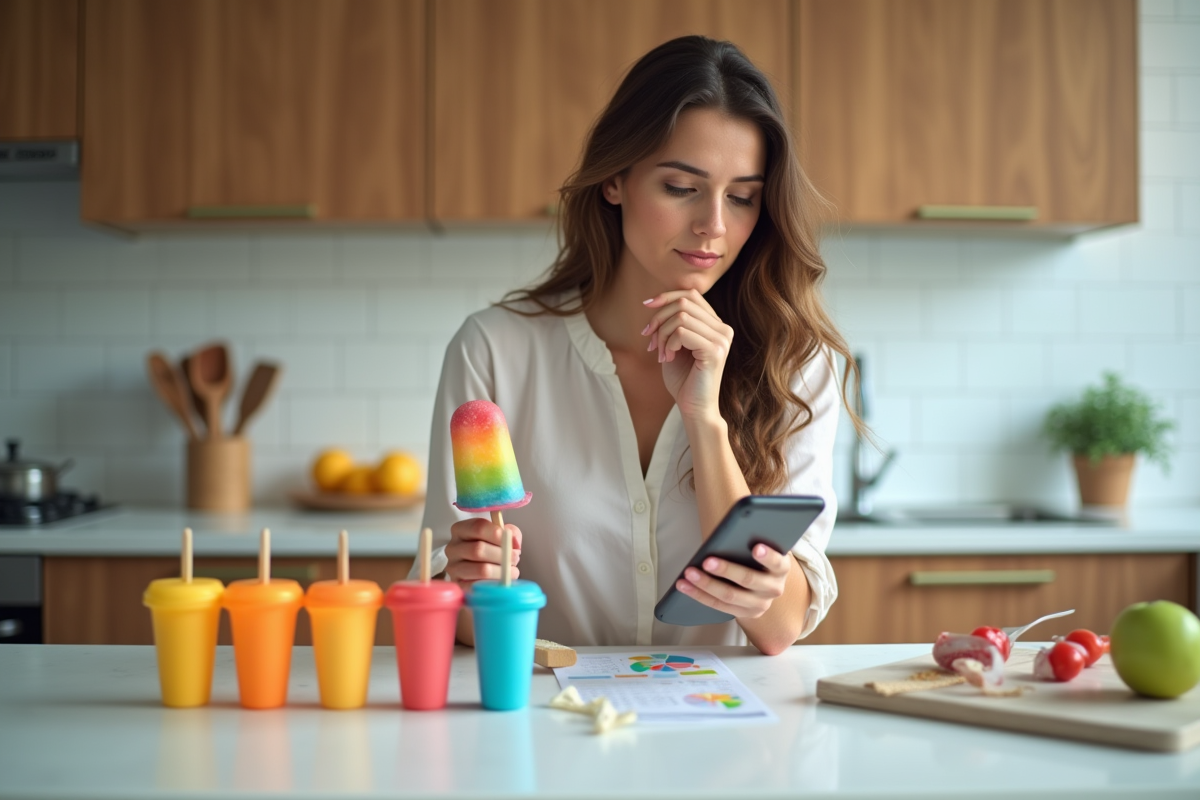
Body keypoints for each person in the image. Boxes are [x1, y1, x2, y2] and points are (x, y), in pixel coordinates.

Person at [412, 35, 861, 655]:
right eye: (681, 187)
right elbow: (448, 606)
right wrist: (469, 585)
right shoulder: (495, 349)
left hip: (725, 733)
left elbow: (778, 627)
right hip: (553, 722)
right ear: (615, 180)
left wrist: (705, 421)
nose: (714, 225)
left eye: (743, 197)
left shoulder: (797, 364)